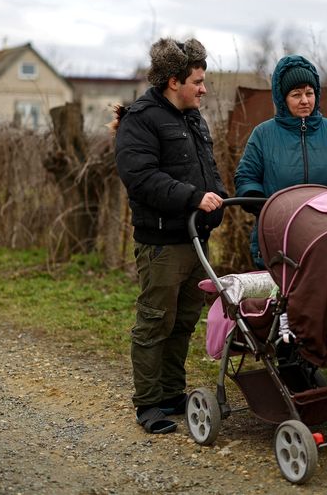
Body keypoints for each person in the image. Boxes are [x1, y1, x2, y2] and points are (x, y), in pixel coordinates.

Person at [115, 37, 227, 434]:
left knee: (183, 320)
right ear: (173, 81)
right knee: (154, 321)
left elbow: (206, 169)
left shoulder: (193, 117)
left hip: (196, 239)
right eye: (197, 81)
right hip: (161, 243)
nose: (203, 88)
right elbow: (141, 179)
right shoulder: (141, 120)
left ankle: (169, 392)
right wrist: (194, 198)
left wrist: (218, 197)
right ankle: (147, 404)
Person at [234, 54, 327, 268]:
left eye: (309, 93)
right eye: (296, 94)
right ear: (282, 98)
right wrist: (267, 210)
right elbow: (246, 179)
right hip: (279, 237)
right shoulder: (264, 134)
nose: (305, 100)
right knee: (282, 299)